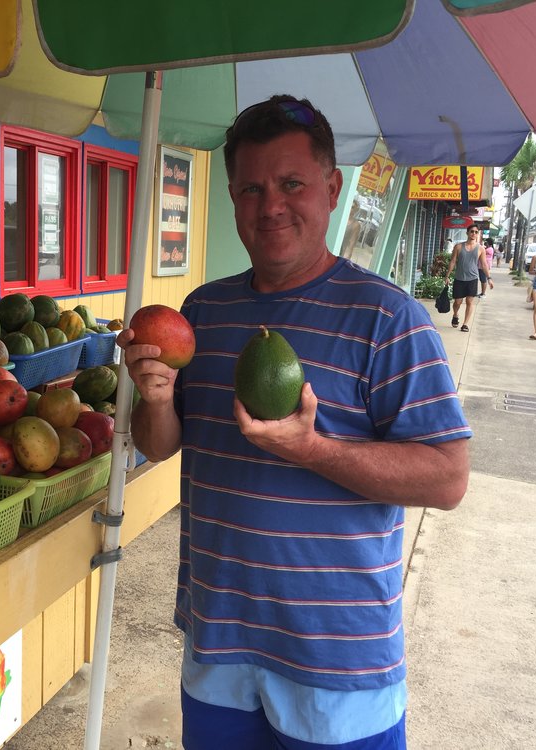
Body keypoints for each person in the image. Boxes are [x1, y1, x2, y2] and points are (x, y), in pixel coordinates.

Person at [116, 95, 471, 750]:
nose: (270, 205)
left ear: (331, 188)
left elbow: (448, 478)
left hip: (337, 664)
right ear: (230, 197)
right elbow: (160, 446)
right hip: (218, 638)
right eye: (251, 188)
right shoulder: (204, 310)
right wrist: (157, 399)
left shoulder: (389, 318)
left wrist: (313, 450)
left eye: (291, 184)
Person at [444, 225, 493, 332]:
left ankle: (465, 324)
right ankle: (455, 315)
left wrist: (489, 278)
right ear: (467, 233)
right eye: (472, 231)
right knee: (457, 302)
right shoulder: (458, 247)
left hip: (473, 278)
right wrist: (447, 276)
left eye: (476, 232)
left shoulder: (480, 249)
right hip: (459, 278)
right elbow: (453, 261)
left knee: (470, 301)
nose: (474, 234)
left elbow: (484, 264)